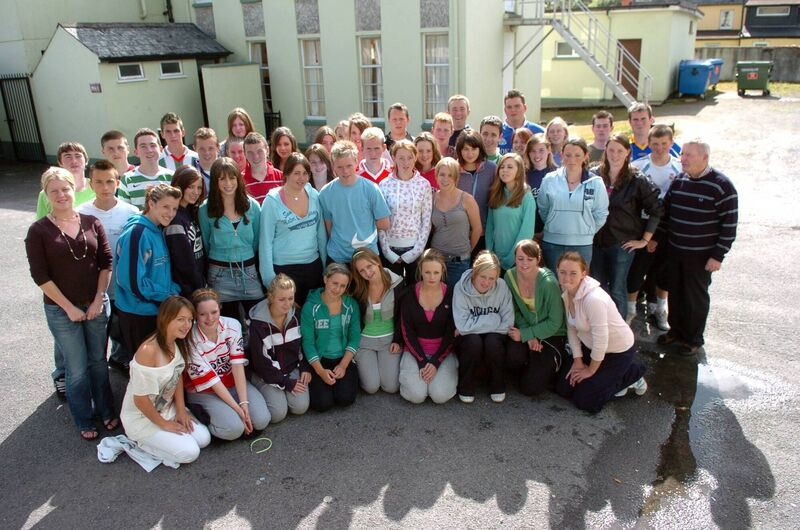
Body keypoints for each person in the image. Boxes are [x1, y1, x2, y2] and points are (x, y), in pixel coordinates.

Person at [26, 167, 117, 440]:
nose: (61, 195)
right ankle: (83, 418)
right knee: (76, 368)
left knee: (99, 362)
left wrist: (98, 299)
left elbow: (106, 263)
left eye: (65, 189)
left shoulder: (91, 222)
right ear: (46, 195)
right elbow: (40, 276)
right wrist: (68, 307)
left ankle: (106, 410)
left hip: (95, 305)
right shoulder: (38, 231)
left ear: (72, 189)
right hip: (61, 310)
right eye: (54, 191)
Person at [656, 139, 737, 356]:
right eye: (682, 154)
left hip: (700, 256)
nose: (683, 159)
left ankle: (692, 339)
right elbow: (666, 214)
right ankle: (676, 330)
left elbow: (728, 225)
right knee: (676, 293)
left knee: (695, 298)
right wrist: (657, 239)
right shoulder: (680, 180)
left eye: (689, 155)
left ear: (705, 158)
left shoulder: (722, 185)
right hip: (675, 250)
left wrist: (718, 256)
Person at [120, 296, 210, 464]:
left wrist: (181, 410)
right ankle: (140, 444)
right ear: (165, 318)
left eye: (190, 320)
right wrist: (163, 424)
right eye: (180, 320)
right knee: (190, 453)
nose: (187, 325)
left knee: (204, 439)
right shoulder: (148, 351)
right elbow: (140, 399)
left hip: (168, 408)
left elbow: (177, 376)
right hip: (143, 417)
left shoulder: (177, 342)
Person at [554, 252, 647, 413]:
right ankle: (604, 377)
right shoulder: (567, 294)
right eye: (562, 272)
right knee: (563, 388)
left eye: (573, 273)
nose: (566, 277)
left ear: (584, 274)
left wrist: (590, 370)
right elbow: (571, 328)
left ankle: (632, 374)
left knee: (585, 401)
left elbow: (601, 340)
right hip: (591, 348)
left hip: (617, 351)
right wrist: (578, 361)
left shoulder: (594, 299)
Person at [591, 134, 662, 321]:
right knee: (597, 288)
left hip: (621, 244)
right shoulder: (595, 174)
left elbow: (656, 210)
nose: (615, 155)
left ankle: (619, 332)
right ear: (605, 151)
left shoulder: (637, 180)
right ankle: (601, 327)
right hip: (595, 242)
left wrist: (644, 240)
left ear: (628, 152)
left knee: (617, 288)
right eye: (611, 150)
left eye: (620, 151)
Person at [77, 161, 138, 374]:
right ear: (90, 184)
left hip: (122, 286)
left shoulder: (131, 211)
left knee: (120, 328)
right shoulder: (80, 213)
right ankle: (96, 370)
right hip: (95, 290)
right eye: (99, 182)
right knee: (98, 334)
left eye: (110, 181)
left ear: (118, 182)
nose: (105, 187)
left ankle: (119, 358)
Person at [185, 289, 270, 440]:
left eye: (214, 312)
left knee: (262, 420)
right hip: (206, 390)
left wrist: (243, 404)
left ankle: (233, 412)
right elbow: (212, 381)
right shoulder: (189, 338)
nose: (210, 318)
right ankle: (199, 414)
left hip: (231, 383)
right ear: (195, 315)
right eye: (203, 314)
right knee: (234, 429)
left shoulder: (232, 324)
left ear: (220, 309)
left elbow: (237, 366)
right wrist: (238, 410)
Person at [115, 184, 182, 361]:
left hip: (155, 309)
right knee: (145, 368)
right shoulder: (137, 233)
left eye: (174, 208)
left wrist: (173, 291)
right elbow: (132, 282)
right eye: (165, 207)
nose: (170, 213)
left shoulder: (157, 229)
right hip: (138, 313)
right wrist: (167, 295)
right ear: (151, 204)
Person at [628, 124, 682, 328]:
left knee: (663, 271)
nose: (659, 148)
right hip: (642, 225)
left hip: (668, 227)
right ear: (648, 144)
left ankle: (659, 309)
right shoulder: (639, 165)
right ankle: (631, 309)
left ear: (671, 143)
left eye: (664, 144)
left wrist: (659, 235)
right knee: (637, 269)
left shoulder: (678, 168)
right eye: (655, 144)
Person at [198, 158, 263, 327]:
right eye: (222, 179)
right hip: (219, 275)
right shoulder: (205, 209)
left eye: (232, 178)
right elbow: (206, 242)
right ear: (215, 181)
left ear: (238, 179)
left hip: (248, 271)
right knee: (228, 327)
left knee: (258, 322)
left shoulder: (252, 206)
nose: (228, 183)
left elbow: (257, 240)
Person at [259, 152, 326, 306]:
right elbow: (265, 243)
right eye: (296, 173)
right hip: (284, 271)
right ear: (286, 174)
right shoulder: (272, 201)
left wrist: (324, 267)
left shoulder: (314, 195)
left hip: (312, 268)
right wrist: (270, 280)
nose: (301, 178)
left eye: (305, 173)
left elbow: (321, 235)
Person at [504, 240, 568, 396]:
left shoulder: (548, 282)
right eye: (520, 258)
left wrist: (527, 335)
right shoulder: (509, 276)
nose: (524, 263)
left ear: (538, 259)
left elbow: (555, 322)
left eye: (529, 259)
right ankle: (532, 364)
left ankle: (546, 368)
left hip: (551, 334)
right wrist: (529, 336)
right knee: (512, 357)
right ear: (515, 259)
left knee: (530, 389)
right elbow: (515, 310)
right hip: (526, 328)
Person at [537, 137, 609, 269]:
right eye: (568, 155)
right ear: (561, 155)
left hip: (582, 245)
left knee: (578, 286)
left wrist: (588, 230)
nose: (572, 159)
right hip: (552, 243)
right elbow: (543, 208)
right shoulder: (549, 179)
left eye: (577, 155)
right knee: (555, 285)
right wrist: (553, 223)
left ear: (586, 156)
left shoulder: (596, 182)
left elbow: (601, 213)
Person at [452, 251, 513, 403]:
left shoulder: (502, 287)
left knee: (492, 342)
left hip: (493, 334)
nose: (486, 282)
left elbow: (508, 323)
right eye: (483, 277)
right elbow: (461, 324)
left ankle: (497, 384)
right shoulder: (460, 288)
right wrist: (494, 319)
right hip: (471, 337)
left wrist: (472, 325)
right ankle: (466, 386)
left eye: (491, 278)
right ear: (474, 273)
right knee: (473, 341)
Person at [249, 274, 311, 423]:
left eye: (290, 298)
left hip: (291, 368)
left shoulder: (297, 315)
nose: (287, 304)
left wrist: (305, 367)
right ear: (271, 297)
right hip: (266, 373)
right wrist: (287, 383)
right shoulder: (257, 324)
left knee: (300, 407)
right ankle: (256, 387)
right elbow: (260, 362)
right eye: (281, 299)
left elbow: (306, 344)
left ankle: (282, 391)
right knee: (277, 414)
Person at [398, 249, 458, 404]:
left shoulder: (452, 294)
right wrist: (423, 361)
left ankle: (440, 377)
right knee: (416, 396)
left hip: (443, 351)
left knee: (439, 396)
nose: (432, 277)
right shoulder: (409, 294)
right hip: (415, 349)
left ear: (442, 271)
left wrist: (436, 362)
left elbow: (451, 332)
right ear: (420, 271)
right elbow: (407, 331)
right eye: (427, 272)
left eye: (436, 273)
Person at [301, 263, 361, 412]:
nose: (337, 289)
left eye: (343, 286)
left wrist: (343, 365)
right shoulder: (310, 307)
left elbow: (354, 337)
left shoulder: (351, 305)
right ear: (325, 279)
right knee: (322, 404)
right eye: (334, 283)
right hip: (320, 359)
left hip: (343, 358)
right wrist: (321, 372)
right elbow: (308, 343)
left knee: (345, 399)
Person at [318, 141, 391, 264]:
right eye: (340, 167)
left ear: (356, 162)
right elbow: (328, 227)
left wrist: (364, 229)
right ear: (333, 165)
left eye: (349, 166)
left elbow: (384, 223)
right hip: (338, 257)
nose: (345, 171)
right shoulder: (325, 193)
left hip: (367, 257)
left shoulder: (371, 189)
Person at [351, 248, 405, 394]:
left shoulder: (397, 283)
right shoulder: (357, 289)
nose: (367, 273)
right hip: (365, 341)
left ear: (377, 262)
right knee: (371, 387)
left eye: (369, 266)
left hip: (389, 340)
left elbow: (402, 315)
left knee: (391, 387)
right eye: (362, 271)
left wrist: (398, 340)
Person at [378, 140, 433, 283]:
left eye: (409, 157)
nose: (405, 162)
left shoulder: (423, 185)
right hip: (390, 249)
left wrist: (416, 251)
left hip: (414, 249)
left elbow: (426, 221)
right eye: (401, 158)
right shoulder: (384, 185)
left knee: (414, 291)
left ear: (415, 157)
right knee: (393, 292)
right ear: (394, 158)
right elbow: (380, 221)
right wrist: (387, 252)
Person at [430, 157, 482, 288]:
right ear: (436, 175)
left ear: (456, 178)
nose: (445, 179)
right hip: (436, 259)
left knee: (456, 300)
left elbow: (477, 229)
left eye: (450, 175)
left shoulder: (467, 199)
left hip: (459, 261)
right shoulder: (432, 198)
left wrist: (468, 250)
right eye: (442, 174)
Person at [486, 153, 536, 271]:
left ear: (519, 170)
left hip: (515, 261)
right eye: (502, 167)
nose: (505, 170)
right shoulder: (496, 194)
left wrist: (511, 258)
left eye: (510, 167)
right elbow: (490, 227)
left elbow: (527, 232)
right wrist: (490, 254)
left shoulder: (526, 196)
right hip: (495, 260)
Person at [166, 166, 207, 298]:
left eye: (199, 188)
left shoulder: (191, 212)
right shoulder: (175, 218)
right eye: (191, 187)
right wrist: (200, 286)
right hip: (187, 291)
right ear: (179, 185)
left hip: (198, 284)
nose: (196, 192)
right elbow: (184, 263)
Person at [456, 129, 496, 254]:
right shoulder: (454, 169)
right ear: (460, 150)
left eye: (474, 149)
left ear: (480, 149)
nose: (470, 153)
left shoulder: (491, 169)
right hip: (459, 232)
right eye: (466, 149)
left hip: (483, 233)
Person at [36, 141, 95, 219]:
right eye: (68, 157)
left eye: (78, 156)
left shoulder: (98, 187)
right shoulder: (47, 194)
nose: (74, 161)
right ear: (60, 162)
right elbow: (41, 225)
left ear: (86, 160)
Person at [119, 128, 174, 210]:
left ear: (161, 149)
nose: (149, 150)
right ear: (136, 152)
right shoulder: (127, 179)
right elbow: (124, 212)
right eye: (143, 146)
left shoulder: (172, 176)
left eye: (153, 145)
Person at [524, 134, 556, 240]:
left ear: (549, 150)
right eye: (533, 151)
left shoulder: (558, 174)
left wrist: (544, 231)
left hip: (551, 232)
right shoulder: (523, 175)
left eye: (541, 150)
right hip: (528, 231)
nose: (537, 155)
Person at [499, 89, 545, 155]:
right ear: (505, 110)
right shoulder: (497, 132)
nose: (513, 110)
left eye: (517, 106)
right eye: (509, 107)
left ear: (525, 107)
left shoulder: (539, 132)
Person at [243, 132, 283, 204]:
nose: (256, 157)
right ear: (245, 154)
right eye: (250, 153)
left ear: (267, 151)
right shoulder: (239, 180)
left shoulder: (281, 177)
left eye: (259, 151)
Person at [192, 127, 219, 192]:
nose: (207, 153)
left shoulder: (227, 170)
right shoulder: (190, 173)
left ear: (218, 147)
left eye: (210, 148)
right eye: (202, 149)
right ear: (194, 148)